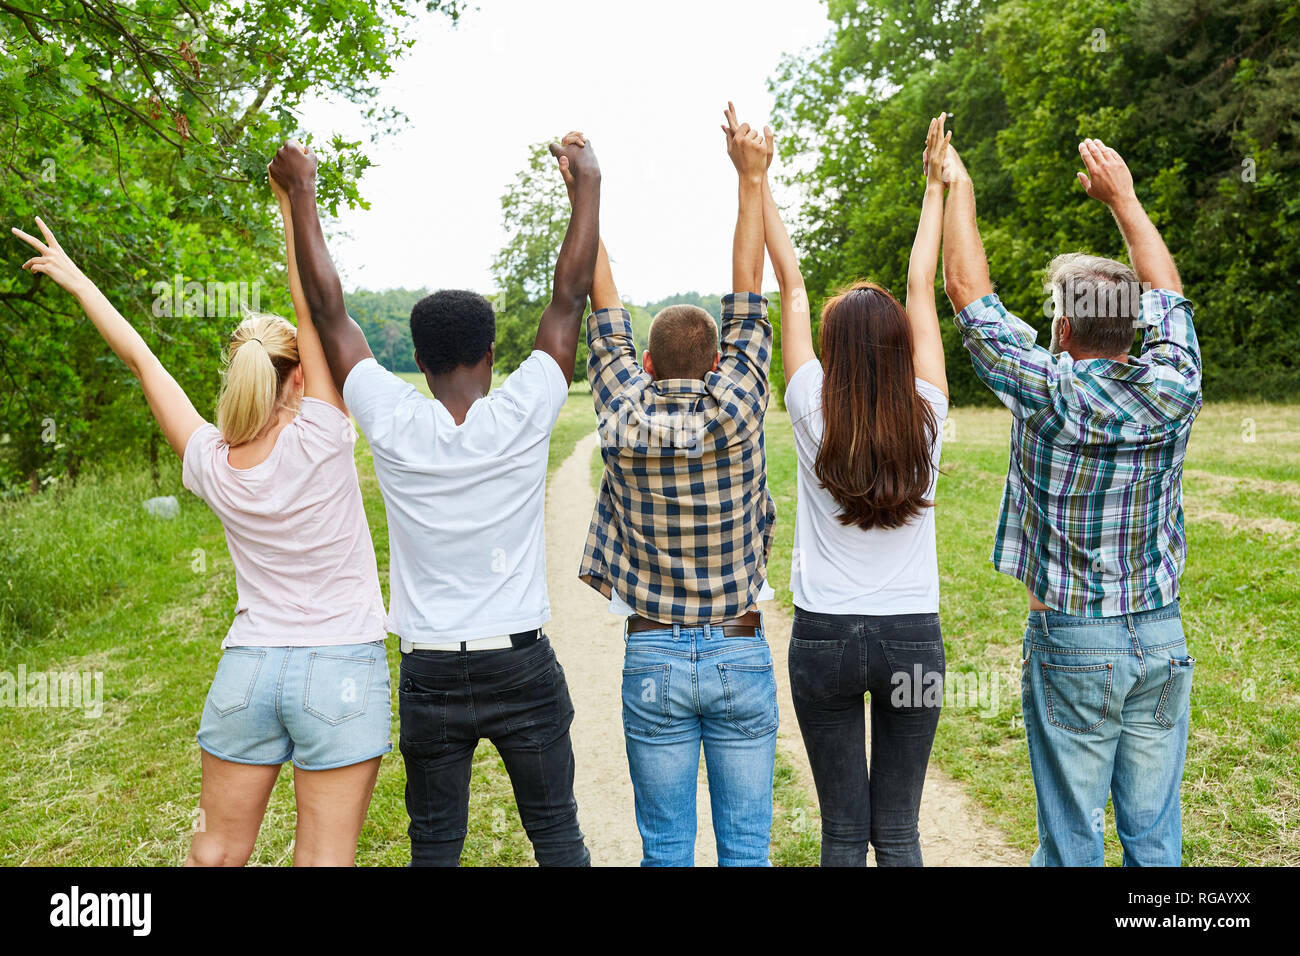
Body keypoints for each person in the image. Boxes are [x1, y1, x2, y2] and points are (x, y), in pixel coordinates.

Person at [10, 151, 392, 866]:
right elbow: (314, 305)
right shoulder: (321, 430)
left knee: (214, 853)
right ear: (302, 375)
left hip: (246, 672)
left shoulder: (210, 461)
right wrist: (288, 207)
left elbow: (142, 361)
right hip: (338, 666)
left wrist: (78, 279)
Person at [267, 133, 600, 867]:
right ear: (491, 357)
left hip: (430, 674)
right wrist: (587, 185)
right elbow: (570, 294)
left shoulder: (389, 413)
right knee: (558, 837)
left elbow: (329, 312)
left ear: (415, 360)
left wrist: (303, 194)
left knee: (436, 847)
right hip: (521, 664)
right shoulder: (524, 408)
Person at [942, 135, 1201, 866]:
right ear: (1136, 325)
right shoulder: (1175, 386)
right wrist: (1125, 200)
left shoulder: (1048, 390)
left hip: (1073, 640)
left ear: (1061, 329)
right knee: (1155, 838)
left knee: (1072, 838)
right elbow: (1171, 296)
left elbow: (968, 294)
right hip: (1161, 639)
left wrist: (958, 183)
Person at [576, 105, 778, 867]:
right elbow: (748, 290)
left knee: (664, 848)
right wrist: (750, 177)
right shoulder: (740, 404)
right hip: (738, 652)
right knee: (747, 850)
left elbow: (605, 313)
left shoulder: (623, 409)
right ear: (725, 356)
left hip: (652, 658)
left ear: (650, 365)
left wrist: (585, 195)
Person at [766, 114, 952, 866]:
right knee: (899, 830)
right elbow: (921, 284)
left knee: (843, 831)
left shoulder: (811, 403)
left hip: (826, 637)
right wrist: (935, 185)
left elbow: (793, 283)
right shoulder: (929, 414)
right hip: (912, 636)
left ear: (833, 351)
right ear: (902, 346)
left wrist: (759, 181)